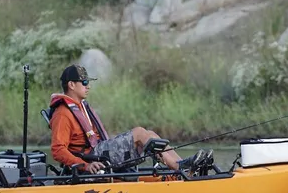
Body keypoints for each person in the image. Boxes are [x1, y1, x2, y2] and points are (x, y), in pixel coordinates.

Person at [48, 64, 212, 174]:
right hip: (91, 158)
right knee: (140, 133)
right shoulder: (63, 113)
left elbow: (95, 138)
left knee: (152, 135)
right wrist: (85, 165)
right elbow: (58, 150)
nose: (88, 86)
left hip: (99, 151)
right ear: (71, 85)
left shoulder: (81, 107)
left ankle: (184, 166)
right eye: (84, 82)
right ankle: (177, 167)